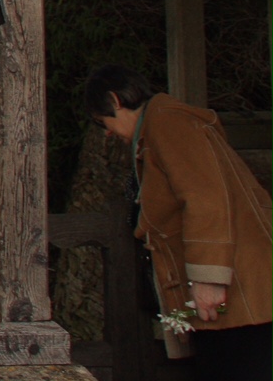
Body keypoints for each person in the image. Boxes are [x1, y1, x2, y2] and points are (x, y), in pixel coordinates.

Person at [86, 64, 273, 378]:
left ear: (115, 101)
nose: (106, 132)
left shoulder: (168, 123)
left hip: (238, 290)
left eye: (101, 121)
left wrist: (209, 278)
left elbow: (206, 197)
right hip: (238, 290)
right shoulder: (160, 127)